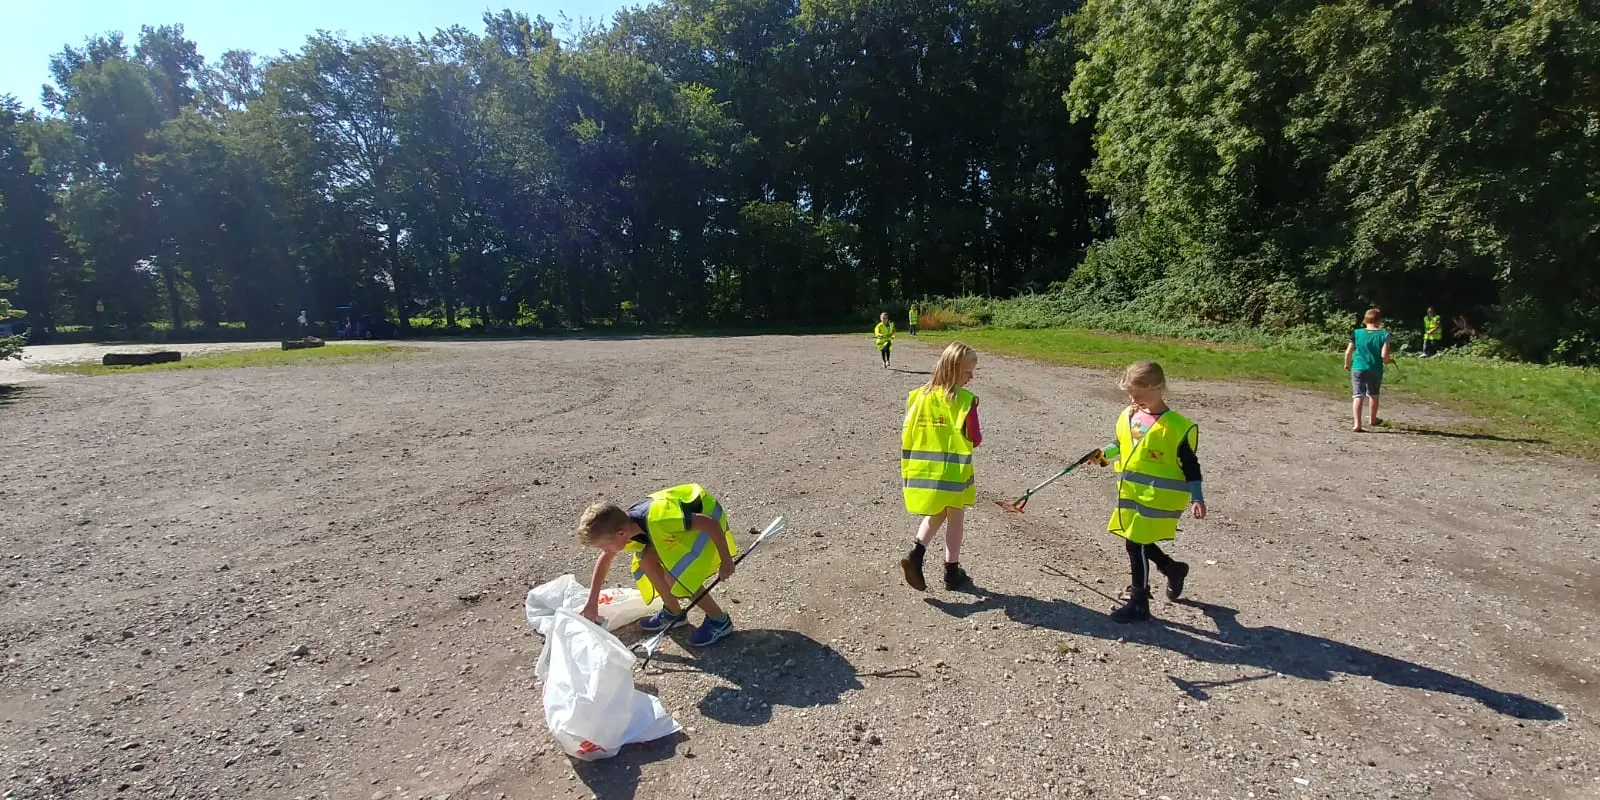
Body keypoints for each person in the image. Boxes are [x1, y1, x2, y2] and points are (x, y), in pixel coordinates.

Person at [1089, 361, 1205, 623]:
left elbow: (1191, 466)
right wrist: (1103, 456)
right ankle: (1172, 568)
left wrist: (1197, 497)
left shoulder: (1176, 427)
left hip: (1159, 498)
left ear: (1158, 388)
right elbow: (1124, 446)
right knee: (1136, 541)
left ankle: (1139, 602)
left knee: (1135, 544)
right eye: (1130, 394)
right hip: (1131, 492)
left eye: (1138, 395)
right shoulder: (1132, 415)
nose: (1133, 400)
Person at [577, 484, 738, 647]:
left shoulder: (659, 520)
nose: (604, 550)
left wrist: (726, 560)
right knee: (646, 558)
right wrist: (592, 603)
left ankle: (719, 620)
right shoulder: (628, 524)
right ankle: (674, 613)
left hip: (709, 519)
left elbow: (710, 524)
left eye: (604, 546)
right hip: (684, 526)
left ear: (621, 534)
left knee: (676, 576)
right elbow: (605, 560)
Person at [899, 342, 982, 591]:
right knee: (955, 518)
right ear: (954, 369)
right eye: (968, 372)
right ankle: (951, 570)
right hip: (953, 472)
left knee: (938, 512)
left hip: (924, 469)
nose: (971, 377)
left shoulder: (919, 396)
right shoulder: (965, 401)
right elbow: (976, 438)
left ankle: (916, 553)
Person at [1344, 308, 1394, 432]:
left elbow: (1348, 352)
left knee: (1358, 395)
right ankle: (1372, 419)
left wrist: (1347, 364)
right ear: (1379, 321)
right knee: (1374, 394)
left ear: (1366, 319)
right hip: (1375, 368)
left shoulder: (1356, 333)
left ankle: (1357, 424)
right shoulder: (1385, 335)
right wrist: (1389, 361)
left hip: (1358, 367)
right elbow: (1384, 356)